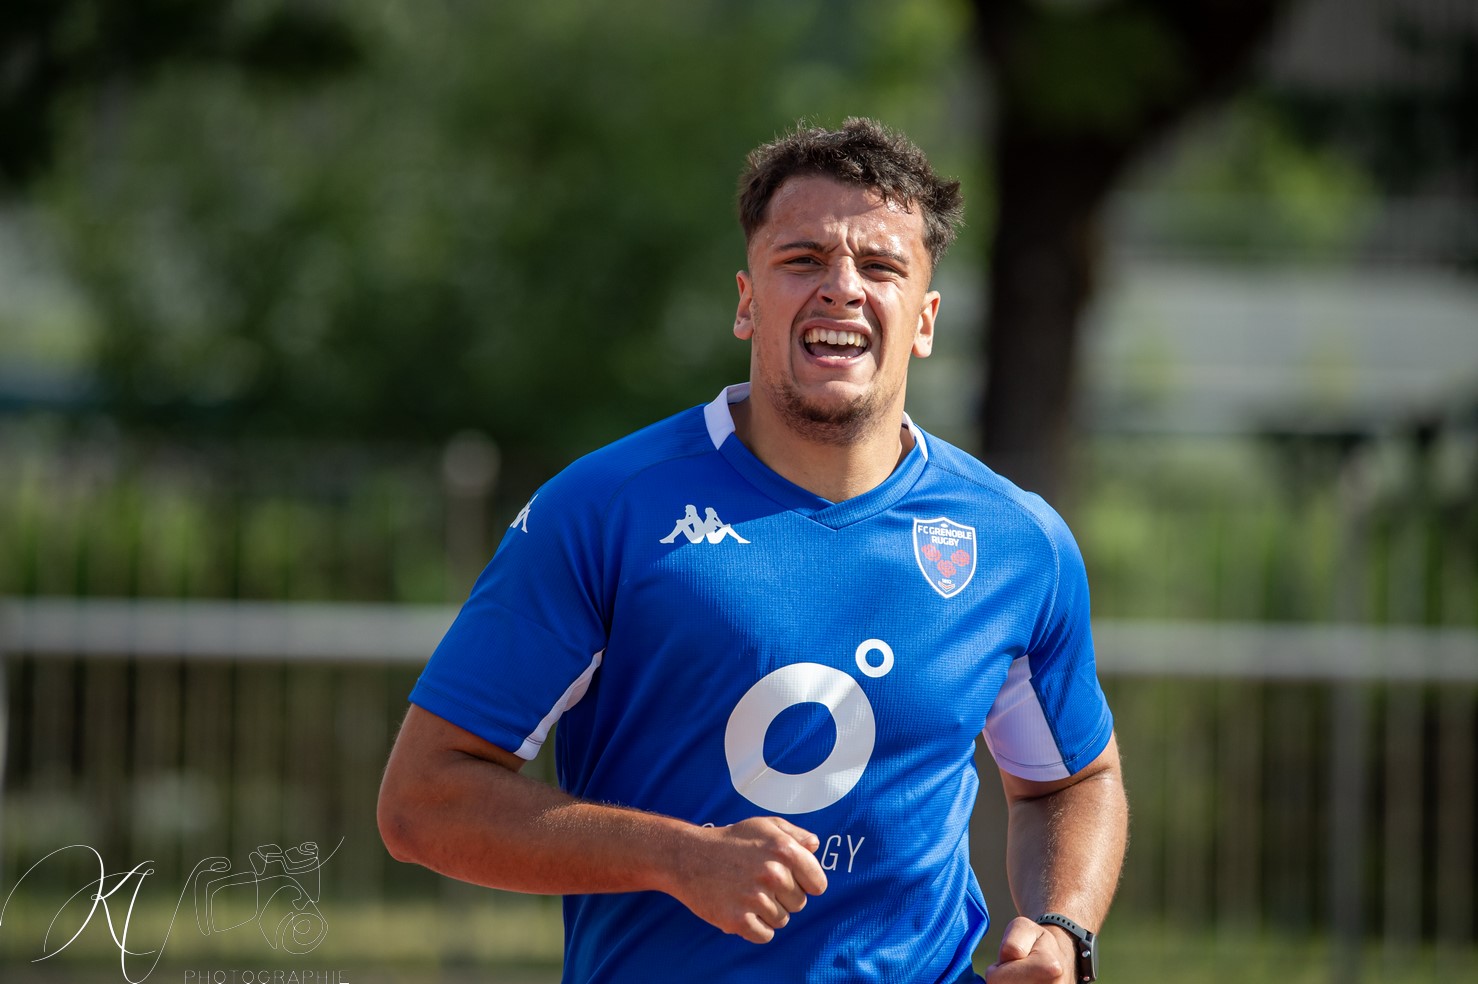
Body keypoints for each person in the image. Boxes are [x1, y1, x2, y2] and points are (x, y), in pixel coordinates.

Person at [378, 117, 1128, 984]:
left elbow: (1073, 781)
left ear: (924, 321)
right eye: (804, 259)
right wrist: (678, 856)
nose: (843, 288)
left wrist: (1062, 927)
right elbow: (424, 803)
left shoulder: (1015, 540)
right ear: (745, 301)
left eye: (880, 267)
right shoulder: (604, 510)